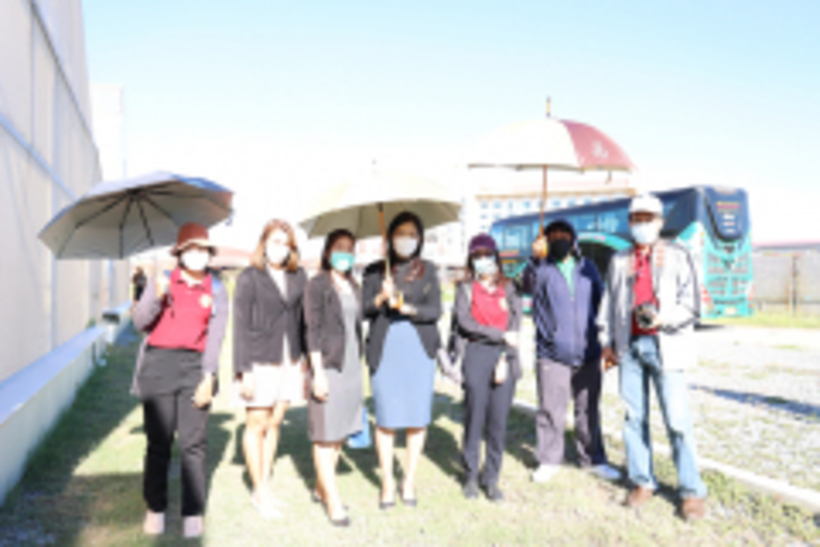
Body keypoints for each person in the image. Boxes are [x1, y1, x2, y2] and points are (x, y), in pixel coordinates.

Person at [597, 193, 707, 520]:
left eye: (648, 218)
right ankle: (643, 481)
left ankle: (691, 490)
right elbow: (607, 305)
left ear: (659, 222)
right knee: (634, 418)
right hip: (629, 347)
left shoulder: (678, 255)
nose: (642, 224)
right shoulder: (620, 259)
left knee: (677, 420)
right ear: (630, 222)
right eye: (637, 219)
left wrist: (663, 318)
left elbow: (692, 303)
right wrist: (606, 342)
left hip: (665, 345)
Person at [131, 223, 228, 539]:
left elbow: (215, 338)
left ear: (209, 253)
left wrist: (209, 377)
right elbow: (139, 322)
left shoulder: (216, 288)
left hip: (195, 367)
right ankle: (155, 507)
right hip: (158, 364)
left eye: (203, 250)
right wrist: (155, 297)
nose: (197, 255)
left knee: (193, 444)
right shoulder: (162, 280)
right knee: (159, 442)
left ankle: (192, 511)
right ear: (180, 253)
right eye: (191, 249)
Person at [522, 219, 621, 484]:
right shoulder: (541, 268)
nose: (559, 239)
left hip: (589, 351)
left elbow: (602, 303)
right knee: (550, 409)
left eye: (564, 235)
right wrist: (534, 259)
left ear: (573, 239)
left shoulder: (587, 267)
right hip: (552, 354)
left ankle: (593, 459)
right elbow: (526, 286)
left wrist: (608, 340)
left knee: (588, 409)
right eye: (553, 236)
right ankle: (549, 460)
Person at [362, 211, 441, 509]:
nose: (407, 239)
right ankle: (386, 483)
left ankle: (408, 480)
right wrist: (380, 299)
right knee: (386, 419)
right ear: (390, 236)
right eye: (401, 233)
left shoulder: (428, 270)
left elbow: (436, 311)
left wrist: (408, 308)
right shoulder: (374, 271)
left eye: (412, 234)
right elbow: (362, 310)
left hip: (419, 350)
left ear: (420, 239)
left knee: (416, 418)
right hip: (385, 349)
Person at [232, 219, 308, 518]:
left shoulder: (298, 276)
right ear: (263, 244)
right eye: (275, 241)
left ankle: (264, 483)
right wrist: (244, 370)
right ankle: (260, 492)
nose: (281, 248)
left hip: (290, 359)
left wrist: (306, 360)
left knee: (275, 422)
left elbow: (303, 319)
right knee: (256, 424)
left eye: (286, 244)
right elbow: (240, 325)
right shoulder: (250, 277)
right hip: (259, 358)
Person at [453, 233, 522, 502]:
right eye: (477, 256)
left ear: (496, 256)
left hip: (504, 356)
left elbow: (515, 327)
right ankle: (471, 475)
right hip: (476, 354)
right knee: (474, 417)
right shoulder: (465, 289)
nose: (483, 260)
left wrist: (505, 357)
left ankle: (491, 478)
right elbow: (466, 324)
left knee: (498, 422)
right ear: (471, 259)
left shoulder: (509, 287)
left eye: (487, 254)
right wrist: (498, 335)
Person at [304, 229, 364, 527]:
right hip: (327, 366)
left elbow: (357, 321)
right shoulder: (317, 285)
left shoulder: (353, 285)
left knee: (339, 432)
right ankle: (334, 502)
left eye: (350, 248)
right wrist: (317, 373)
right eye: (339, 247)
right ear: (328, 252)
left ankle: (321, 488)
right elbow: (311, 330)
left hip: (351, 368)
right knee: (325, 437)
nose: (345, 253)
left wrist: (384, 295)